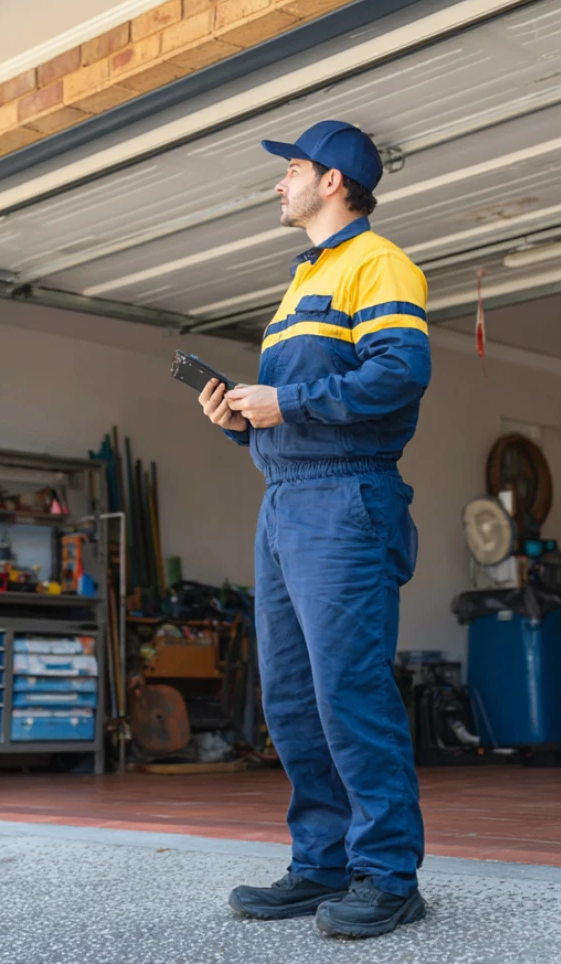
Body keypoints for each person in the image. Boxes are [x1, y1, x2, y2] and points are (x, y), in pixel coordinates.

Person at [199, 120, 430, 940]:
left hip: (344, 503)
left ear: (333, 180)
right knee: (293, 697)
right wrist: (241, 419)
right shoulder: (304, 280)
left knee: (349, 690)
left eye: (291, 169)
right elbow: (299, 409)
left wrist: (286, 401)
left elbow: (400, 375)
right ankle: (322, 863)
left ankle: (388, 875)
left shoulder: (380, 263)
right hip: (286, 499)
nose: (278, 183)